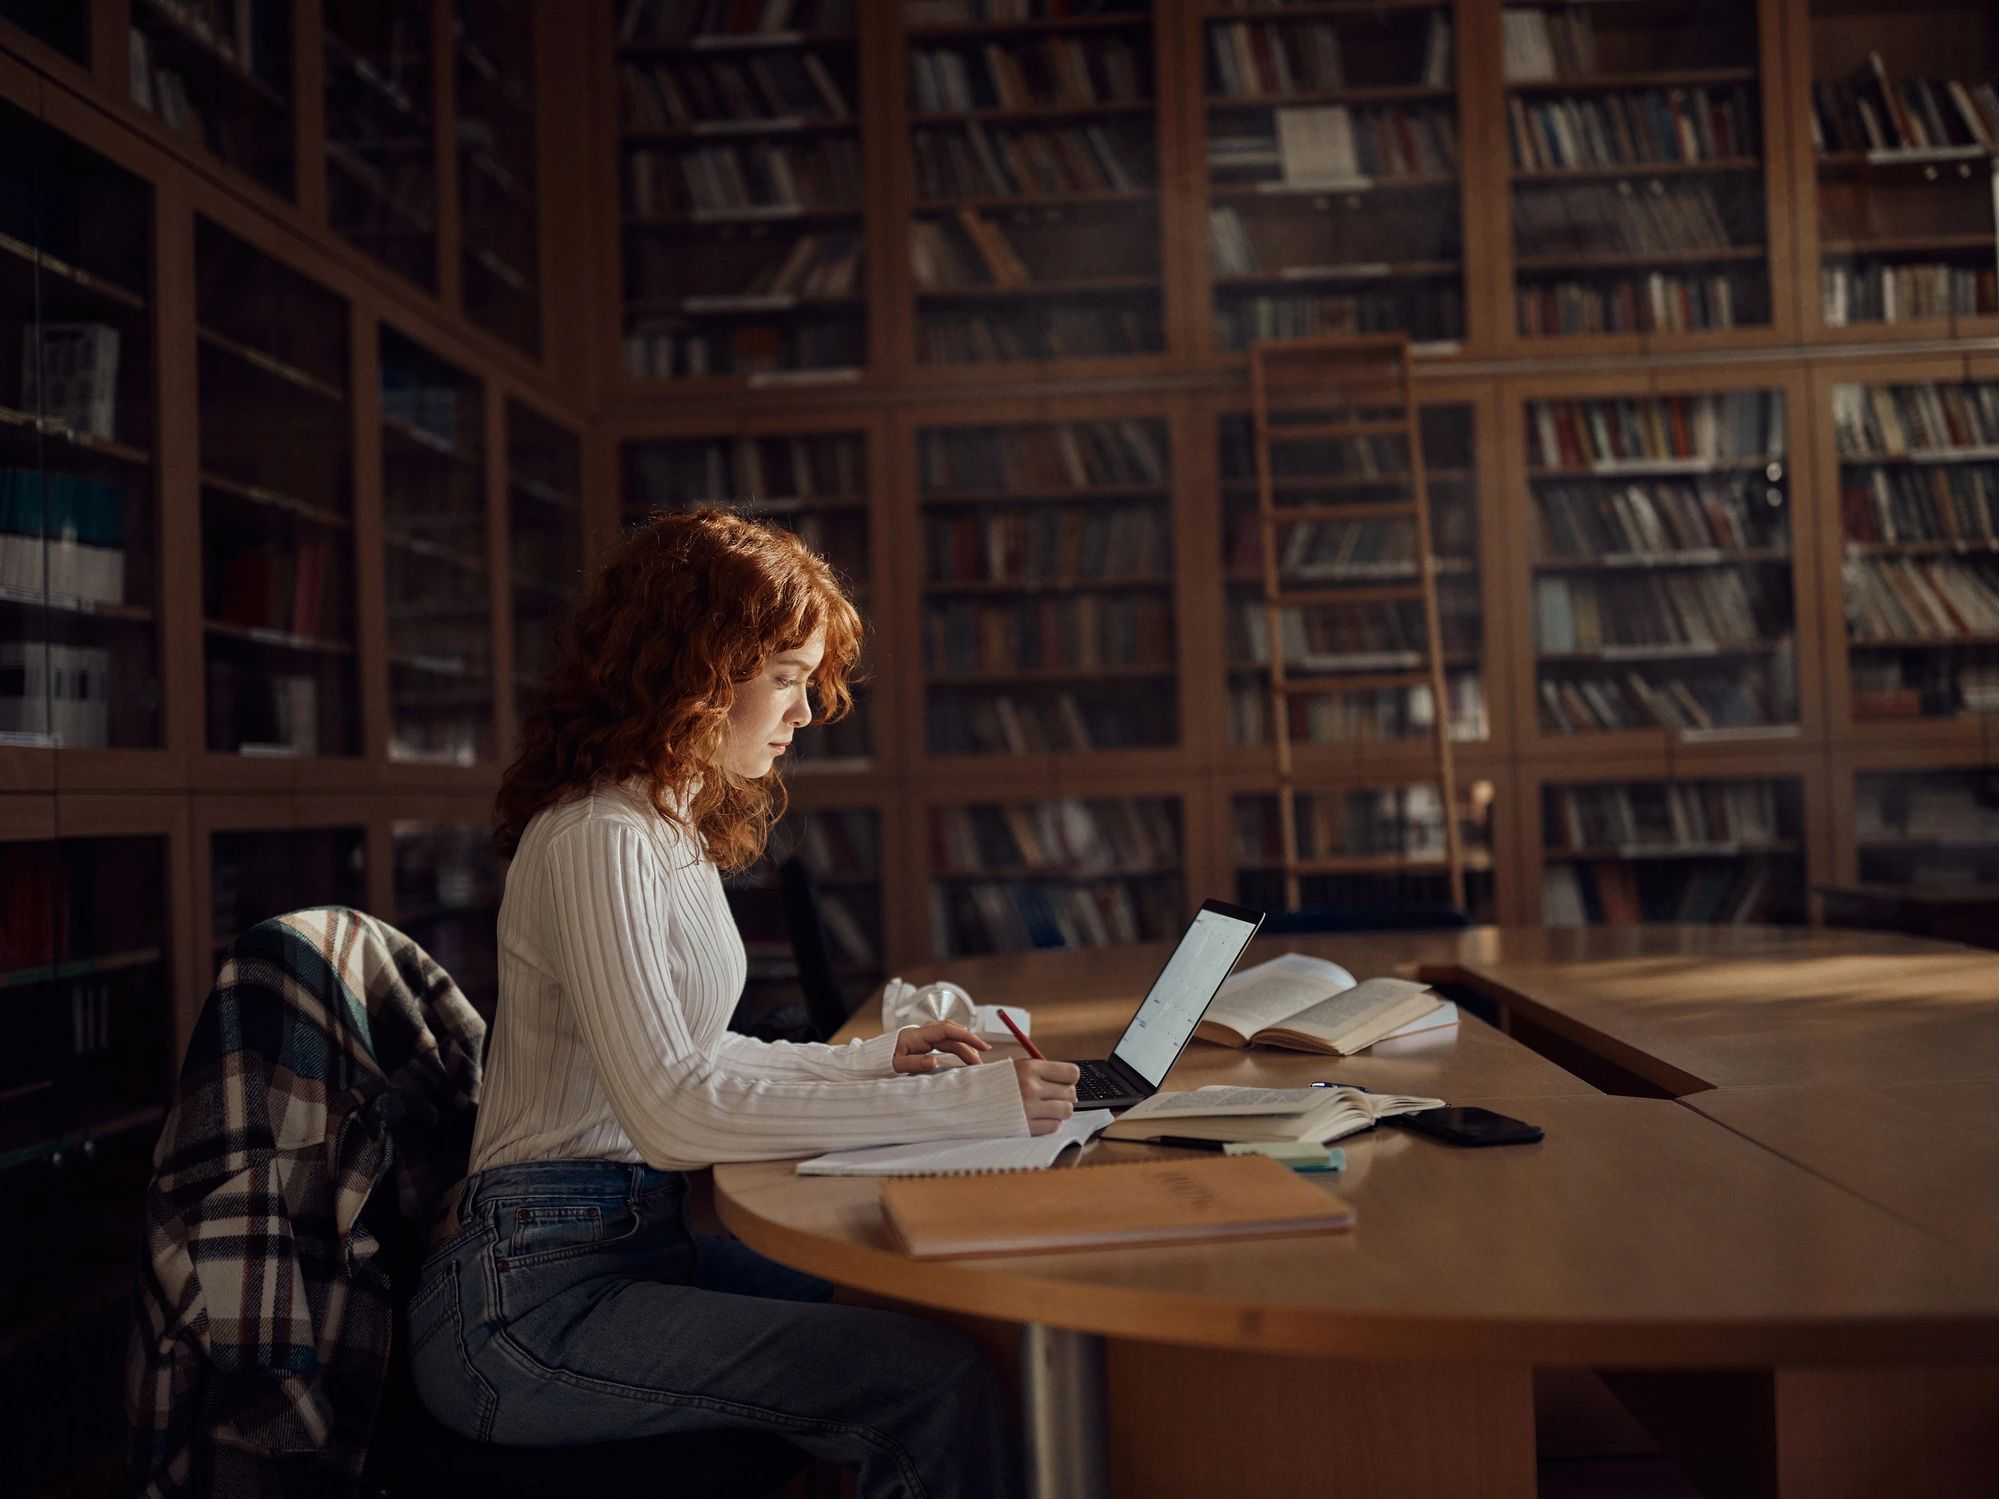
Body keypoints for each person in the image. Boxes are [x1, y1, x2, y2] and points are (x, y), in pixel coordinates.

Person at [407, 508, 1078, 1499]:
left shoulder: (662, 826)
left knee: (946, 1316)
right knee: (929, 1379)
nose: (805, 713)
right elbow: (672, 1107)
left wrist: (874, 1060)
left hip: (626, 1246)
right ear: (697, 669)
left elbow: (699, 1050)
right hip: (524, 1305)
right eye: (788, 678)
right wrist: (957, 1104)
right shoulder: (599, 835)